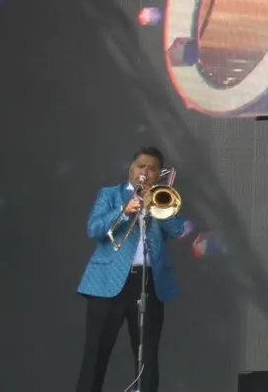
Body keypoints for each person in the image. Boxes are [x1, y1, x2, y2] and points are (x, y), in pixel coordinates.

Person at [76, 147, 185, 392]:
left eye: (152, 168)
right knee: (95, 356)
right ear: (131, 169)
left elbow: (178, 231)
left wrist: (156, 207)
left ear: (159, 174)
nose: (145, 172)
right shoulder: (110, 195)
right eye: (141, 166)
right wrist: (124, 212)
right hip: (107, 285)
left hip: (149, 284)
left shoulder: (164, 196)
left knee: (148, 357)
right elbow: (94, 229)